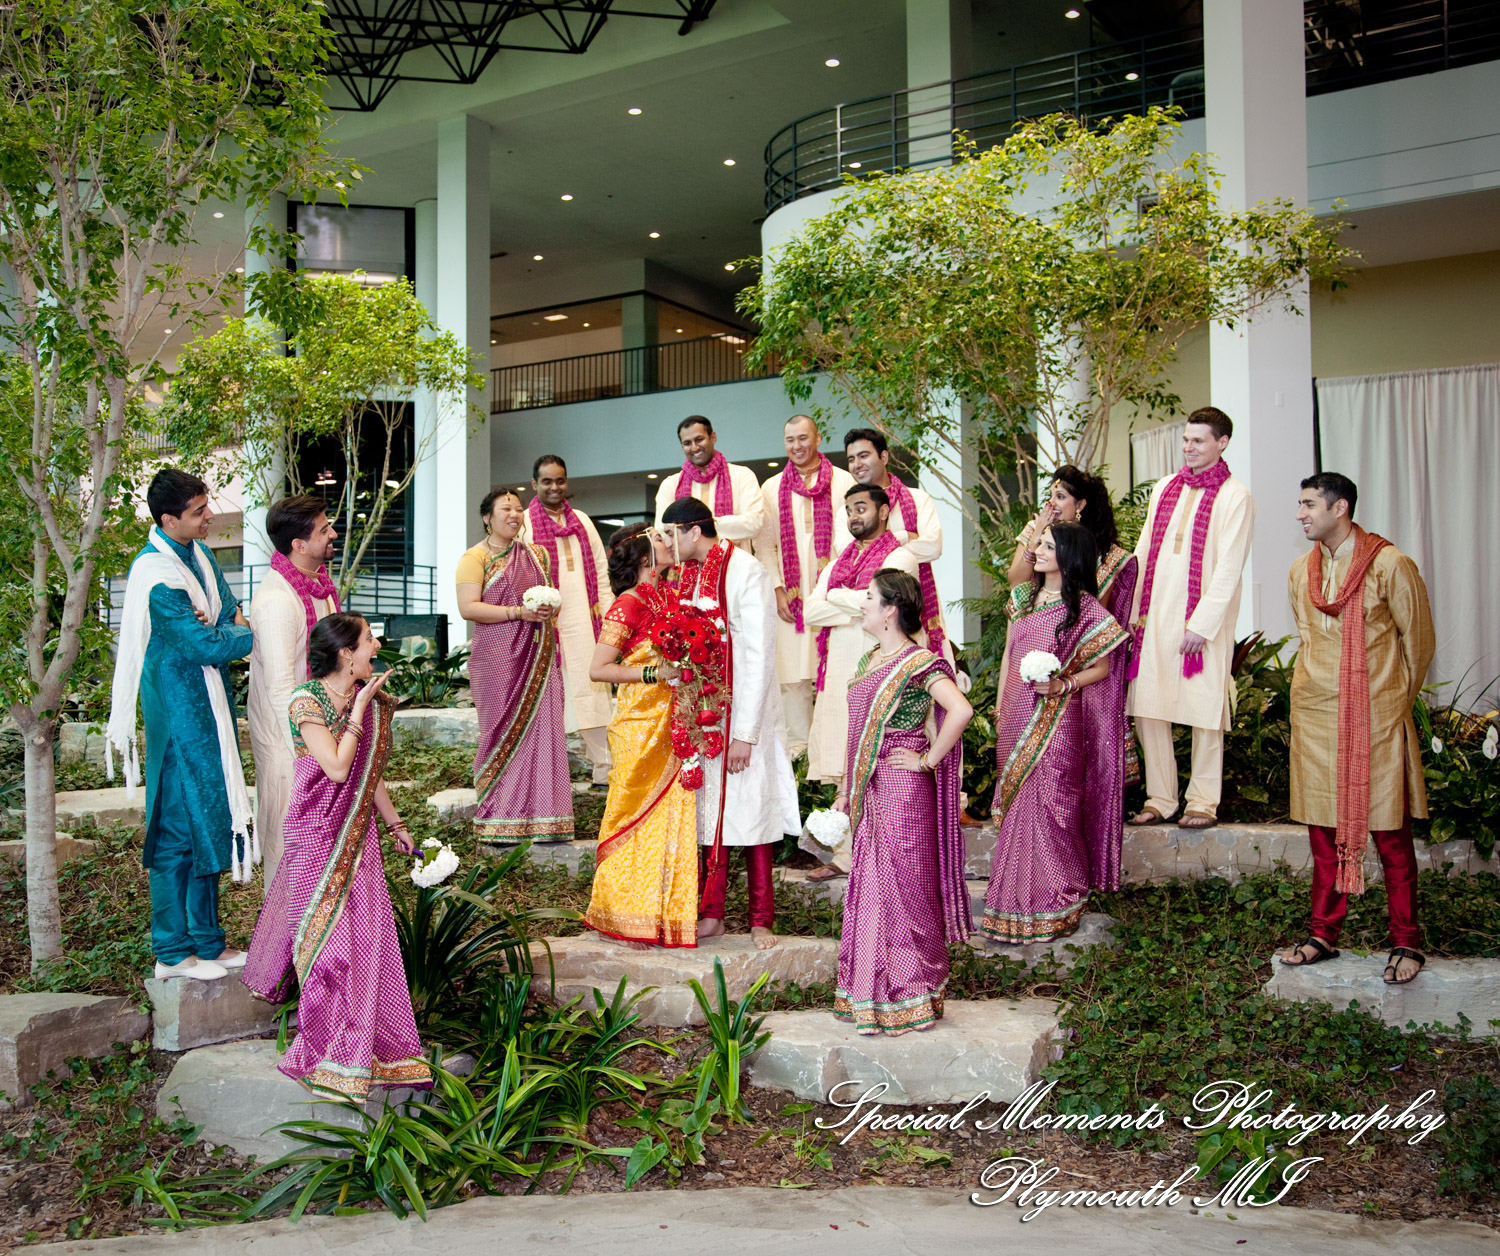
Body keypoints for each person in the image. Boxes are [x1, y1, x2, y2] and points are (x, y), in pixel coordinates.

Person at [242, 613, 431, 1103]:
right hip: (315, 835)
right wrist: (359, 707)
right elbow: (337, 765)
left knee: (368, 941)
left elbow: (369, 774)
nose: (377, 645)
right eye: (369, 639)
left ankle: (375, 1049)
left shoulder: (364, 701)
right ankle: (330, 1053)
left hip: (357, 835)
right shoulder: (307, 699)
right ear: (347, 653)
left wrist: (396, 825)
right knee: (326, 949)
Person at [1278, 473, 1436, 985]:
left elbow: (1419, 645)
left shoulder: (1391, 565)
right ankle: (1324, 932)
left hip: (1376, 719)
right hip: (1318, 716)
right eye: (1299, 505)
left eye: (1308, 505)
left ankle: (1406, 940)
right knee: (1324, 835)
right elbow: (1308, 638)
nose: (1300, 514)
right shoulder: (1301, 571)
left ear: (1340, 507)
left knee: (1390, 835)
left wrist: (1389, 704)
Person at [106, 468, 253, 982]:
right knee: (174, 831)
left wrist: (222, 628)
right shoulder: (155, 573)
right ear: (169, 519)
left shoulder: (200, 557)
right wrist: (238, 637)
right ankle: (171, 951)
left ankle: (208, 943)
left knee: (210, 817)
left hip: (208, 706)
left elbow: (227, 615)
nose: (209, 515)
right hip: (177, 710)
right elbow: (206, 644)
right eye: (198, 511)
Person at [832, 569, 973, 1035]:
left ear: (891, 608)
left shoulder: (919, 662)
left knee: (906, 892)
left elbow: (961, 710)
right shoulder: (870, 659)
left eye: (869, 597)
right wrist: (844, 790)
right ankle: (874, 997)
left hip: (902, 792)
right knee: (872, 892)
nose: (861, 604)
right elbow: (856, 733)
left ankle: (912, 992)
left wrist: (928, 761)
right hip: (870, 791)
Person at [660, 497, 801, 949]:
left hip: (744, 711)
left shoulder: (746, 570)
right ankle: (712, 913)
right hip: (702, 713)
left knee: (753, 814)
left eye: (671, 535)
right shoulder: (690, 574)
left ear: (692, 532)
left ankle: (761, 919)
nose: (668, 544)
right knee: (708, 816)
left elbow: (759, 655)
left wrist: (744, 734)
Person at [981, 523, 1131, 943]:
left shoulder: (1084, 607)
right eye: (1039, 543)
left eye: (1048, 545)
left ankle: (1056, 900)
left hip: (1059, 719)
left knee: (1052, 806)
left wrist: (1064, 684)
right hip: (1016, 712)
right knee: (1017, 807)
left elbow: (1102, 666)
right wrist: (1000, 705)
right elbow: (1011, 654)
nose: (1038, 550)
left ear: (1069, 554)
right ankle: (1011, 907)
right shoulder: (1021, 597)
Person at [1126, 408, 1255, 830]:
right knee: (1148, 706)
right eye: (1186, 440)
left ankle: (1202, 801)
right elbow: (1143, 552)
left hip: (1202, 623)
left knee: (1203, 711)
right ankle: (1160, 798)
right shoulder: (1166, 487)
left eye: (1199, 441)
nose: (1189, 448)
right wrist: (1131, 612)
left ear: (1222, 442)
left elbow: (1230, 567)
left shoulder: (1236, 496)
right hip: (1155, 615)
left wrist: (1202, 624)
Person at [582, 525, 698, 949]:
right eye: (663, 539)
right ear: (646, 558)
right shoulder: (627, 605)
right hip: (638, 725)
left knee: (672, 816)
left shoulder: (671, 597)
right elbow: (599, 669)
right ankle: (621, 910)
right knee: (632, 814)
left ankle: (661, 916)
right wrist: (654, 671)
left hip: (673, 721)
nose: (671, 542)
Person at [802, 485, 919, 881]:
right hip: (840, 671)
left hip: (880, 668)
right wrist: (853, 601)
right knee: (843, 762)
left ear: (884, 511)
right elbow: (812, 610)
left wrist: (836, 596)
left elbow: (896, 608)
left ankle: (874, 855)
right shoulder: (838, 562)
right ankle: (844, 856)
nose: (853, 515)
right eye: (848, 509)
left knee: (875, 761)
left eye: (861, 507)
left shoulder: (900, 555)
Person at [456, 489, 575, 843]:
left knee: (543, 731)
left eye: (518, 508)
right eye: (505, 509)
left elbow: (550, 599)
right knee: (498, 732)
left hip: (537, 654)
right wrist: (516, 613)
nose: (514, 514)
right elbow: (468, 607)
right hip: (496, 660)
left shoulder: (537, 555)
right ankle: (498, 818)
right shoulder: (474, 557)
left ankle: (545, 819)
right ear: (486, 517)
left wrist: (545, 610)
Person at [247, 495, 340, 893]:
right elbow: (283, 688)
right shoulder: (276, 601)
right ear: (299, 545)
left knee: (323, 845)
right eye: (324, 530)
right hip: (291, 747)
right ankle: (284, 948)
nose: (334, 534)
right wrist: (314, 750)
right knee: (289, 847)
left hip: (321, 735)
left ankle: (323, 942)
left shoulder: (318, 586)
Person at [754, 415, 854, 757]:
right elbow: (765, 546)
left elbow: (851, 541)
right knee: (793, 673)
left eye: (802, 438)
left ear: (818, 438)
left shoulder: (843, 482)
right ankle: (798, 746)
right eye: (789, 440)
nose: (796, 446)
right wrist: (777, 589)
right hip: (790, 596)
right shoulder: (771, 487)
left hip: (832, 590)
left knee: (834, 665)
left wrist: (839, 586)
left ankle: (833, 744)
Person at [522, 455, 615, 785]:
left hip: (587, 619)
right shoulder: (525, 525)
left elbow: (602, 574)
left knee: (593, 691)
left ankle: (603, 767)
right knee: (550, 693)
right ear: (534, 484)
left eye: (560, 480)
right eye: (546, 481)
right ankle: (549, 774)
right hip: (545, 625)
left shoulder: (584, 521)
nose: (554, 487)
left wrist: (609, 616)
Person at [843, 428, 948, 661]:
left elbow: (932, 546)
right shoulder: (848, 510)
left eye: (864, 455)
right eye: (851, 459)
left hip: (916, 607)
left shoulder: (917, 499)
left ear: (884, 457)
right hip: (867, 615)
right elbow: (847, 556)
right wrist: (903, 537)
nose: (857, 464)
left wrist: (876, 550)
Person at [1008, 465, 1137, 627]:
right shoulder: (1035, 530)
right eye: (1050, 495)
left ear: (1080, 505)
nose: (1051, 503)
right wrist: (1036, 538)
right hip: (1032, 625)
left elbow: (1098, 612)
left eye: (1060, 497)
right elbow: (1016, 583)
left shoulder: (1103, 552)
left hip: (1078, 635)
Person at [654, 416, 765, 552]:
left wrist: (692, 529)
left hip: (735, 568)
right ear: (682, 446)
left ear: (713, 437)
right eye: (687, 443)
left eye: (699, 439)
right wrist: (724, 532)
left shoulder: (742, 476)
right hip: (688, 572)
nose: (694, 447)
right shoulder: (670, 485)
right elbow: (663, 530)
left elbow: (753, 523)